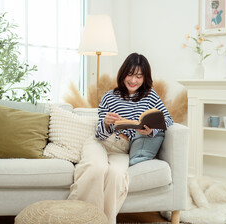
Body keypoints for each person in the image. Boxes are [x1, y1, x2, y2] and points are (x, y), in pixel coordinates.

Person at [67, 52, 173, 224]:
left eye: (139, 76)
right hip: (101, 143)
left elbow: (167, 120)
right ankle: (76, 218)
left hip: (122, 149)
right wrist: (107, 124)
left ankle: (103, 221)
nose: (133, 80)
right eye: (130, 74)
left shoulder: (151, 96)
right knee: (96, 168)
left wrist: (150, 130)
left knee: (116, 176)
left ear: (145, 78)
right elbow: (99, 134)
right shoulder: (109, 96)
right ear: (123, 74)